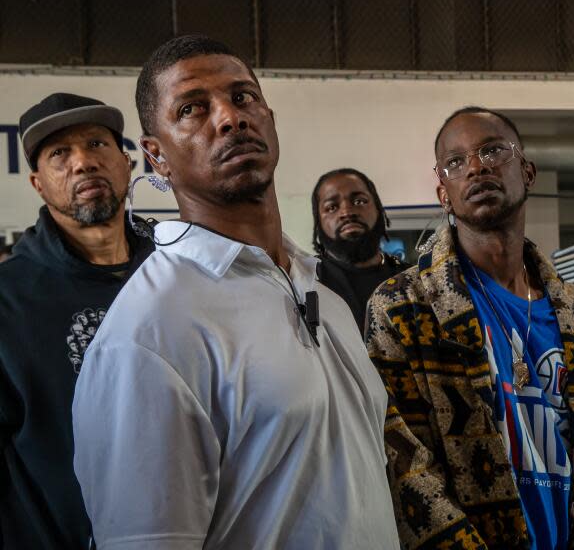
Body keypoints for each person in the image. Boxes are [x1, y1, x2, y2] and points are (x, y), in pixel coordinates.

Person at [72, 35, 399, 549]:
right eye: (192, 109)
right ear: (156, 156)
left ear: (268, 117)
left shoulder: (325, 297)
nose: (229, 117)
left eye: (243, 97)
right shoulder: (146, 335)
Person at [366, 106, 574, 549]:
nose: (476, 166)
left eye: (492, 151)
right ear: (443, 193)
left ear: (527, 171)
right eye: (456, 162)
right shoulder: (403, 308)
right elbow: (404, 462)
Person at [0, 93, 153, 549]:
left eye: (96, 144)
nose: (83, 162)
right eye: (59, 154)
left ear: (127, 164)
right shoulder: (9, 300)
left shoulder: (178, 276)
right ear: (38, 184)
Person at [312, 168, 408, 332]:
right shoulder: (307, 282)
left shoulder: (412, 279)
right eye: (332, 207)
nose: (347, 212)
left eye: (359, 202)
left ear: (379, 210)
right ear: (318, 222)